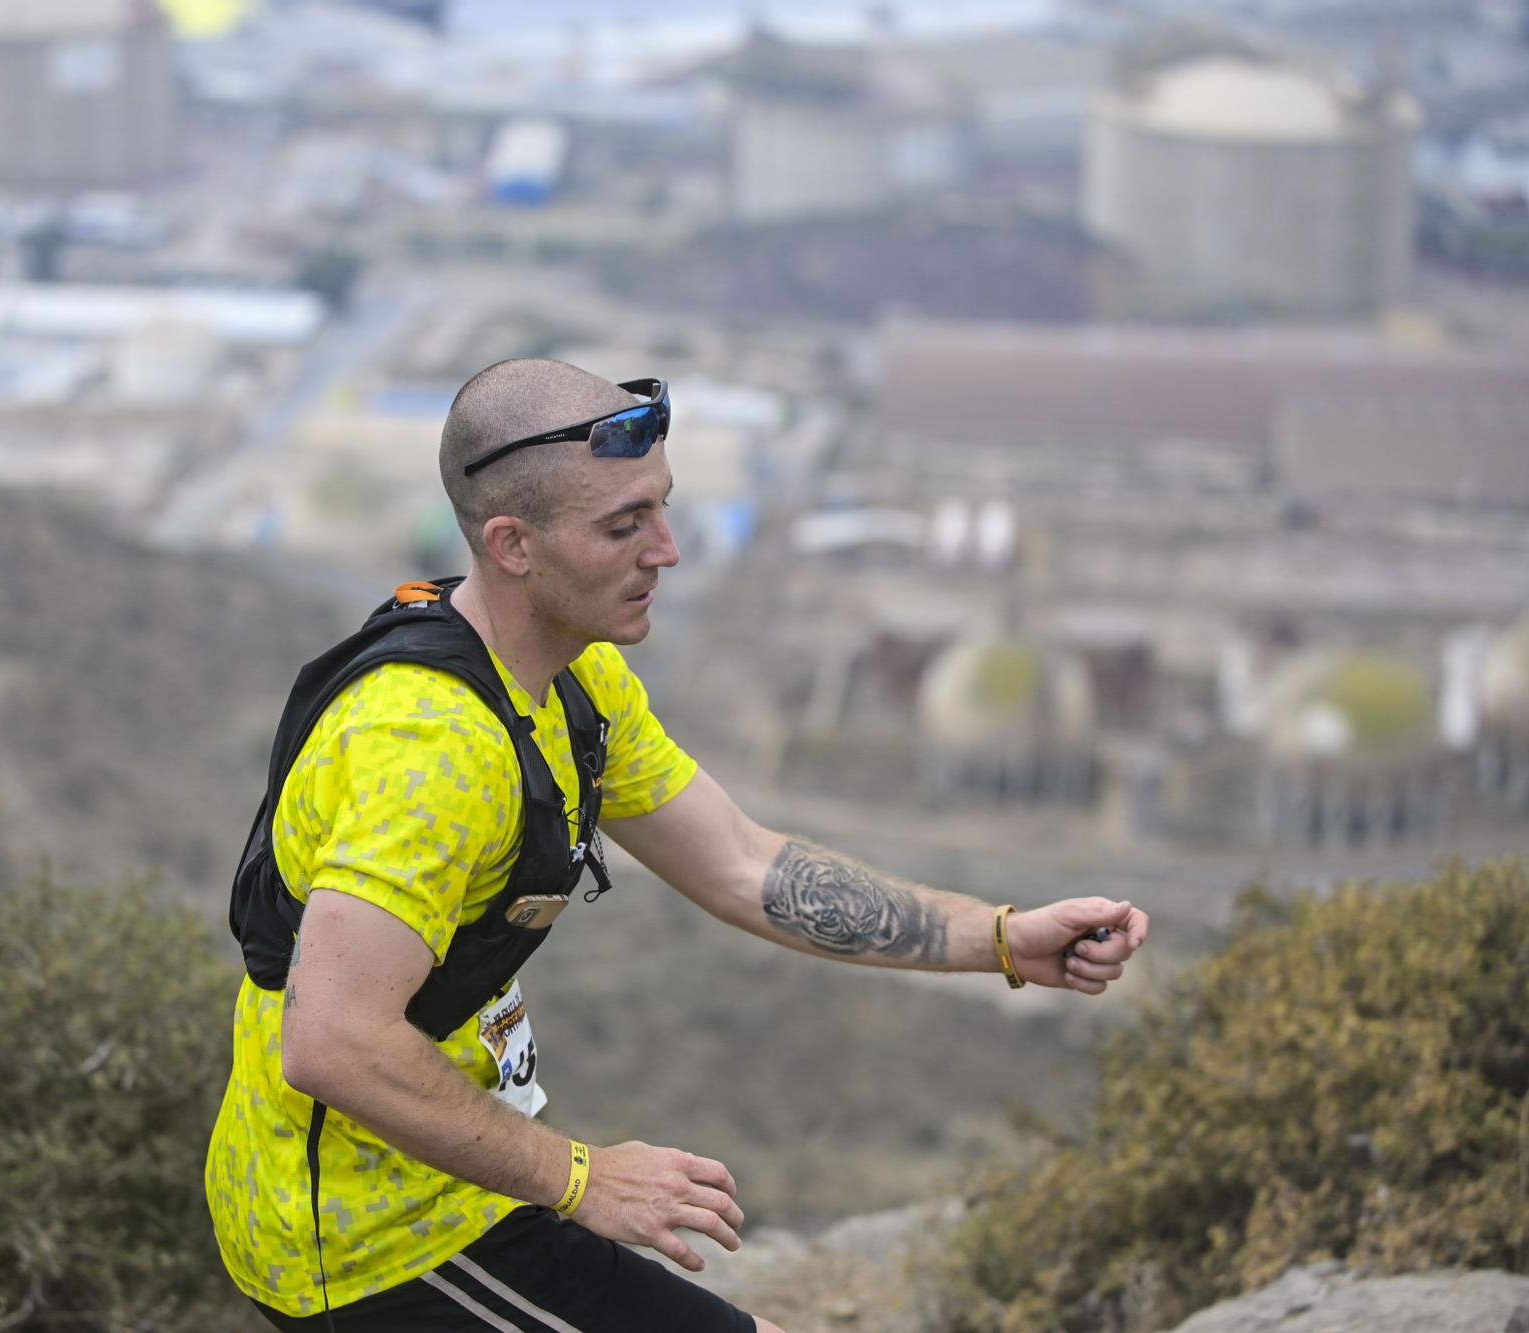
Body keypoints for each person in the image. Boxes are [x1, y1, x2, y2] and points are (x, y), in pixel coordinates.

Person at [205, 358, 1149, 1333]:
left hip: (462, 1183)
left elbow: (744, 866)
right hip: (372, 1245)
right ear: (512, 545)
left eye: (661, 509)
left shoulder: (574, 682)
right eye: (623, 525)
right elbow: (331, 1039)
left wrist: (997, 938)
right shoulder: (430, 750)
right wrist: (580, 1177)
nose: (667, 550)